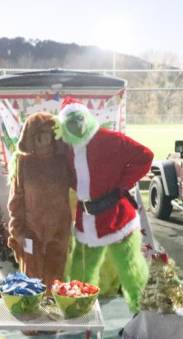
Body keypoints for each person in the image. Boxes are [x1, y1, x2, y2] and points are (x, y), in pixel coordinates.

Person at [56, 97, 153, 313]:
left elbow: (145, 156)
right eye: (71, 122)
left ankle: (143, 314)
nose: (78, 126)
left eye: (80, 120)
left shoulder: (111, 140)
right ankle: (77, 310)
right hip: (87, 219)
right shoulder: (66, 148)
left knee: (130, 269)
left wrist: (121, 184)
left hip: (118, 218)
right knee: (81, 269)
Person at [7, 112, 72, 289]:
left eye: (48, 133)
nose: (44, 139)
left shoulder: (62, 161)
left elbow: (78, 184)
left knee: (55, 284)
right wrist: (19, 233)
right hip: (30, 234)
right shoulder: (23, 162)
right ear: (30, 136)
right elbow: (16, 201)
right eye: (39, 134)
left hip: (58, 234)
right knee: (31, 284)